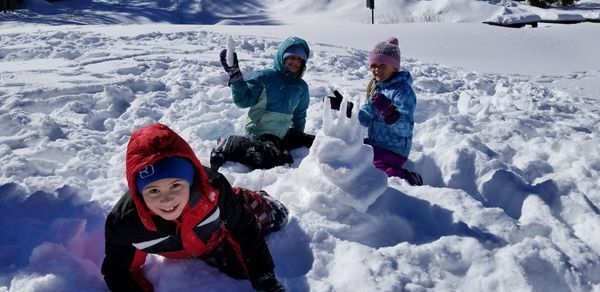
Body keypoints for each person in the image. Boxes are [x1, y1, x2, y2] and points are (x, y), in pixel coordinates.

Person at [102, 123, 289, 291]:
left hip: (222, 225)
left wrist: (265, 279)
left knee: (277, 217)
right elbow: (119, 270)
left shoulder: (213, 191)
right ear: (138, 193)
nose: (167, 200)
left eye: (176, 186)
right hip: (203, 245)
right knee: (238, 270)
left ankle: (258, 199)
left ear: (191, 183)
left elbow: (244, 229)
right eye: (153, 191)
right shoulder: (125, 225)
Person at [211, 36, 315, 170]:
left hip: (282, 133)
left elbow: (299, 114)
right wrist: (235, 77)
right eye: (292, 57)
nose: (295, 62)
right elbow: (244, 100)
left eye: (299, 59)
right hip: (260, 133)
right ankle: (230, 145)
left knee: (314, 142)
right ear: (282, 57)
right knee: (278, 159)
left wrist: (298, 135)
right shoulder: (265, 77)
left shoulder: (301, 87)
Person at [358, 37, 423, 186]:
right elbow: (366, 117)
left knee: (376, 171)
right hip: (375, 144)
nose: (376, 69)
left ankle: (408, 177)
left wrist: (390, 112)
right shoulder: (377, 88)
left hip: (394, 149)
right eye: (373, 65)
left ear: (394, 67)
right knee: (354, 156)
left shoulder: (403, 92)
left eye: (382, 64)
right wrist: (348, 110)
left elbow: (406, 129)